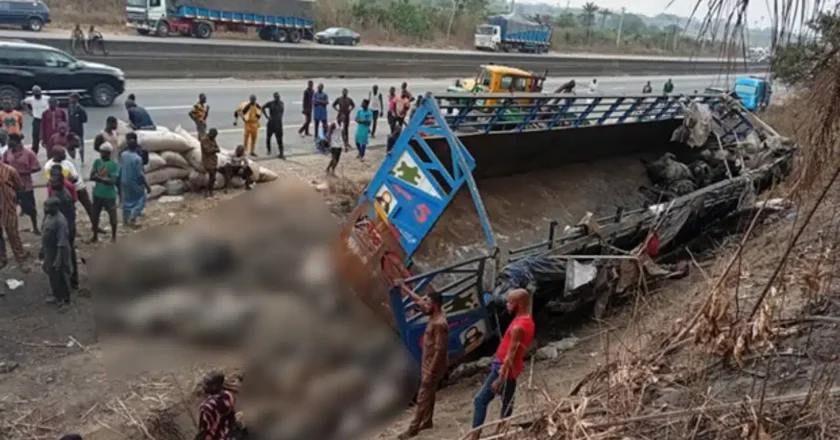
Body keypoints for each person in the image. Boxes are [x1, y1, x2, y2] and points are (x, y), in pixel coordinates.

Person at [469, 288, 535, 440]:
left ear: (518, 304)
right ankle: (501, 432)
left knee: (480, 401)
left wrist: (499, 378)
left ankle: (474, 436)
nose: (507, 305)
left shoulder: (519, 326)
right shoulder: (527, 320)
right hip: (512, 369)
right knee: (507, 402)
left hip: (503, 369)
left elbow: (510, 355)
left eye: (510, 302)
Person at [395, 282, 449, 440]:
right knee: (430, 393)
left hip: (433, 365)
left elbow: (440, 350)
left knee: (422, 396)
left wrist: (431, 370)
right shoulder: (435, 313)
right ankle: (427, 421)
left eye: (428, 304)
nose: (424, 306)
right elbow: (419, 301)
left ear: (436, 305)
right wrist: (403, 287)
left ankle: (413, 429)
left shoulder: (439, 324)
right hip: (429, 363)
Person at [45, 147, 98, 231]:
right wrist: (67, 182)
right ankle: (70, 231)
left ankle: (95, 226)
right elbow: (51, 181)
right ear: (55, 155)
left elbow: (75, 177)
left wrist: (66, 183)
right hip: (64, 193)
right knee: (69, 213)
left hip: (78, 187)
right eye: (62, 154)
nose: (65, 155)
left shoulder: (67, 163)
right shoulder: (49, 166)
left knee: (89, 207)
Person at [46, 165, 79, 291]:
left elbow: (69, 218)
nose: (50, 183)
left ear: (60, 182)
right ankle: (70, 280)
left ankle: (71, 282)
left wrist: (65, 235)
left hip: (66, 229)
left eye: (52, 181)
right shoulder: (56, 191)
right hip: (63, 228)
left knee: (67, 255)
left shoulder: (63, 197)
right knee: (67, 254)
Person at [2, 134, 41, 235]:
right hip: (10, 186)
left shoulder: (28, 153)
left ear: (16, 141)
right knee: (9, 208)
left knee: (31, 208)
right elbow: (3, 164)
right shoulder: (7, 153)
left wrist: (21, 172)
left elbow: (37, 167)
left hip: (25, 186)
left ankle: (35, 227)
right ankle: (12, 230)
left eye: (10, 140)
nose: (8, 142)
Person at [40, 197, 72, 307]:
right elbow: (44, 233)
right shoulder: (48, 217)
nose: (46, 208)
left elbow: (62, 243)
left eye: (48, 206)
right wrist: (42, 250)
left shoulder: (60, 221)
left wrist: (58, 260)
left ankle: (65, 299)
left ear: (56, 207)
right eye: (45, 206)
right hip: (49, 251)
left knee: (61, 275)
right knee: (52, 274)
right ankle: (56, 295)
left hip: (58, 252)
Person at [0, 158, 28, 271]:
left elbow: (20, 187)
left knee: (13, 235)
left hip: (8, 207)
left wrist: (18, 203)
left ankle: (21, 260)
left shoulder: (10, 170)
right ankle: (2, 258)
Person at [119, 133, 151, 227]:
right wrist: (147, 186)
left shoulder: (123, 155)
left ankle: (125, 220)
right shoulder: (137, 159)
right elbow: (140, 175)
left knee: (126, 200)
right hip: (134, 183)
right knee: (141, 199)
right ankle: (133, 217)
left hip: (124, 181)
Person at [89, 142, 119, 242]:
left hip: (109, 195)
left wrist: (98, 177)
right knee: (95, 215)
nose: (101, 154)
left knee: (112, 216)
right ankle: (95, 236)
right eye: (101, 152)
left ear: (108, 153)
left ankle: (114, 237)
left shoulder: (114, 164)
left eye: (104, 152)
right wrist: (104, 179)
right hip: (97, 193)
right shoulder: (97, 162)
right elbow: (91, 177)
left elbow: (112, 181)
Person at [21, 85, 49, 154]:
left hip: (46, 120)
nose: (37, 94)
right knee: (36, 138)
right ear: (33, 93)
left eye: (38, 92)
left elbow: (55, 102)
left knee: (48, 137)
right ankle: (34, 154)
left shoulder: (46, 98)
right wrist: (28, 111)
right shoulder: (31, 99)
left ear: (41, 91)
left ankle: (49, 152)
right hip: (37, 120)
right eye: (35, 92)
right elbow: (22, 102)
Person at [262, 92, 285, 159]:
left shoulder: (281, 103)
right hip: (271, 123)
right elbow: (263, 107)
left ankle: (281, 153)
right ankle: (269, 150)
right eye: (276, 97)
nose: (277, 98)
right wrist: (267, 116)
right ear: (274, 98)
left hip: (278, 124)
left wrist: (280, 117)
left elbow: (282, 112)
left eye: (278, 97)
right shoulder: (271, 103)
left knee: (280, 139)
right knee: (268, 137)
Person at [67, 93, 88, 164]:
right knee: (70, 145)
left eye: (71, 98)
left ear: (75, 99)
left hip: (78, 130)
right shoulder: (69, 107)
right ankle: (73, 158)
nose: (69, 100)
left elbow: (85, 119)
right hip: (70, 130)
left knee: (80, 145)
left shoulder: (80, 109)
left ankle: (82, 160)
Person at [201, 128, 221, 198]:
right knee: (211, 176)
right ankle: (207, 192)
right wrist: (214, 149)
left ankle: (210, 191)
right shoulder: (204, 140)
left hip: (213, 160)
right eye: (214, 135)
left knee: (213, 177)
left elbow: (218, 149)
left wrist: (214, 149)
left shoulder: (213, 139)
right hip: (207, 161)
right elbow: (207, 151)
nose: (215, 137)